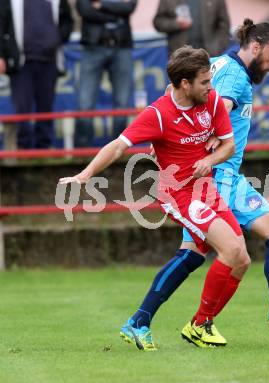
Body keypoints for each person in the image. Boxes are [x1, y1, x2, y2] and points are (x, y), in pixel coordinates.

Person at [126, 19, 269, 350]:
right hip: (221, 177)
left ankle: (143, 319)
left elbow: (171, 93)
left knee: (191, 255)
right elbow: (221, 107)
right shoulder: (233, 74)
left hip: (207, 178)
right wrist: (212, 139)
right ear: (256, 47)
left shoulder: (216, 63)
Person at [60, 46, 254, 351]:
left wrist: (211, 160)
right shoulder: (158, 114)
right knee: (229, 250)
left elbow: (228, 146)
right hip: (179, 194)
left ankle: (141, 321)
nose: (211, 87)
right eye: (204, 82)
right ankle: (200, 325)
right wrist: (85, 175)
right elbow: (118, 146)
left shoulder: (212, 100)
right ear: (185, 84)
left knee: (240, 259)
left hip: (207, 190)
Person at [0, 0, 73, 149]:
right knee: (22, 108)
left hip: (49, 62)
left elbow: (67, 21)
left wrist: (56, 39)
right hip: (21, 64)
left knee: (46, 108)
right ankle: (23, 149)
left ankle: (44, 148)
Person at [74, 0, 137, 147]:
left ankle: (119, 150)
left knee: (122, 102)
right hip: (93, 47)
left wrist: (101, 5)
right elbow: (84, 9)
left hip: (121, 46)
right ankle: (82, 154)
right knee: (85, 102)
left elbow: (129, 7)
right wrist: (116, 14)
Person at [153, 0, 230, 56]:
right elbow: (158, 22)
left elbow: (224, 25)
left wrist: (217, 47)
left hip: (209, 56)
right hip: (179, 57)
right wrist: (176, 24)